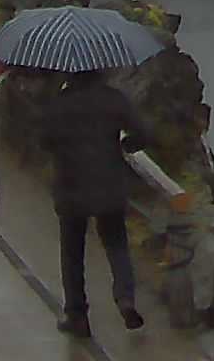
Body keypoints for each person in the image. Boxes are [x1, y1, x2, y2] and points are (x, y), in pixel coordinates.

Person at [34, 69, 152, 335]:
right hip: (109, 182)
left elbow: (44, 140)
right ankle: (125, 298)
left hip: (71, 184)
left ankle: (77, 315)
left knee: (73, 252)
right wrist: (125, 146)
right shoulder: (113, 98)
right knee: (116, 244)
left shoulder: (60, 102)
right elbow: (143, 133)